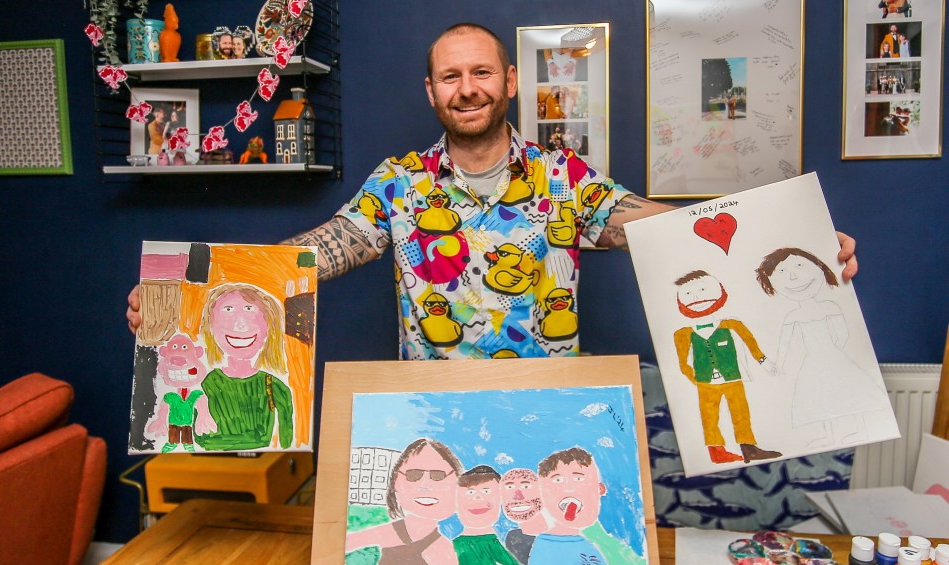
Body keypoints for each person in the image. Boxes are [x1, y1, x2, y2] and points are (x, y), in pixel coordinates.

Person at [128, 22, 858, 360]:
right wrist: (190, 289)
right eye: (451, 76)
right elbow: (313, 254)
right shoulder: (401, 184)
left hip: (554, 410)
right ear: (431, 91)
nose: (467, 88)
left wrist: (786, 242)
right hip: (434, 415)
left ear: (510, 82)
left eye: (482, 73)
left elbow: (659, 225)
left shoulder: (563, 179)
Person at [755, 248, 891, 448]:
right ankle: (828, 436)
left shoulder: (830, 306)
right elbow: (785, 342)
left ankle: (860, 429)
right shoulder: (793, 316)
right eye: (782, 272)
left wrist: (835, 351)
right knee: (820, 396)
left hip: (832, 356)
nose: (793, 276)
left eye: (800, 266)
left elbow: (843, 333)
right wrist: (780, 363)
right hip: (815, 360)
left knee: (848, 391)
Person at [345, 438, 462, 565]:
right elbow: (341, 547)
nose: (425, 485)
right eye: (414, 475)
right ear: (395, 484)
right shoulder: (388, 532)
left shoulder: (444, 551)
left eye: (438, 475)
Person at [672, 270, 783, 464]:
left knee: (740, 413)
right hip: (705, 382)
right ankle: (717, 453)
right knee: (709, 417)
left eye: (703, 290)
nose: (697, 297)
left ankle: (749, 448)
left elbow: (752, 346)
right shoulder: (682, 334)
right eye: (689, 294)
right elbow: (683, 364)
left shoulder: (732, 324)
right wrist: (697, 379)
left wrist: (767, 364)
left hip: (732, 378)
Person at [514, 447, 616, 565]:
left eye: (578, 478)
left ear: (600, 489)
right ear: (542, 492)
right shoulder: (545, 548)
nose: (568, 488)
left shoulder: (601, 545)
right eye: (557, 479)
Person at [195, 284, 294, 451]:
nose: (239, 325)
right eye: (228, 310)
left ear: (269, 325)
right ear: (211, 326)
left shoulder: (272, 385)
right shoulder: (209, 383)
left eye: (249, 309)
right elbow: (202, 439)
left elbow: (286, 440)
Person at [451, 465, 525, 565]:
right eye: (470, 492)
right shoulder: (453, 549)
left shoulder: (507, 544)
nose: (478, 498)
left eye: (486, 491)